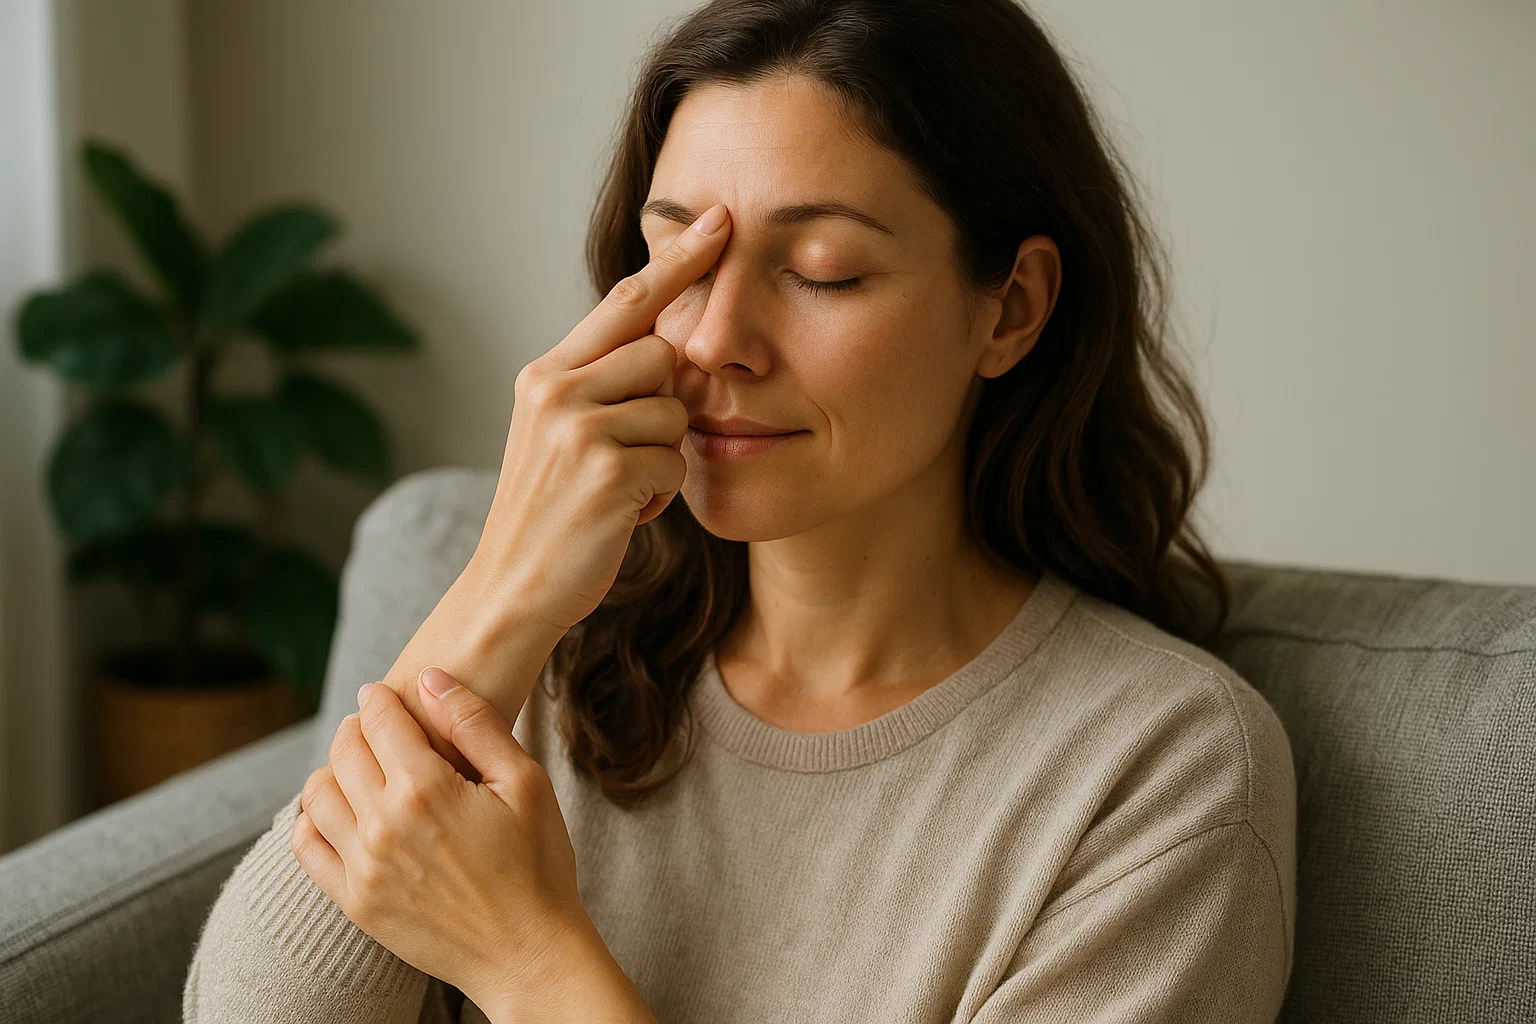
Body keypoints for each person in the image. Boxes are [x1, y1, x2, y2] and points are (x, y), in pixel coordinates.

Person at [183, 0, 1296, 1020]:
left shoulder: (1161, 767)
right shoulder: (553, 655)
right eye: (679, 253)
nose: (714, 339)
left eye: (820, 271)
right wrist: (502, 586)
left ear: (1010, 309)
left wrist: (528, 961)